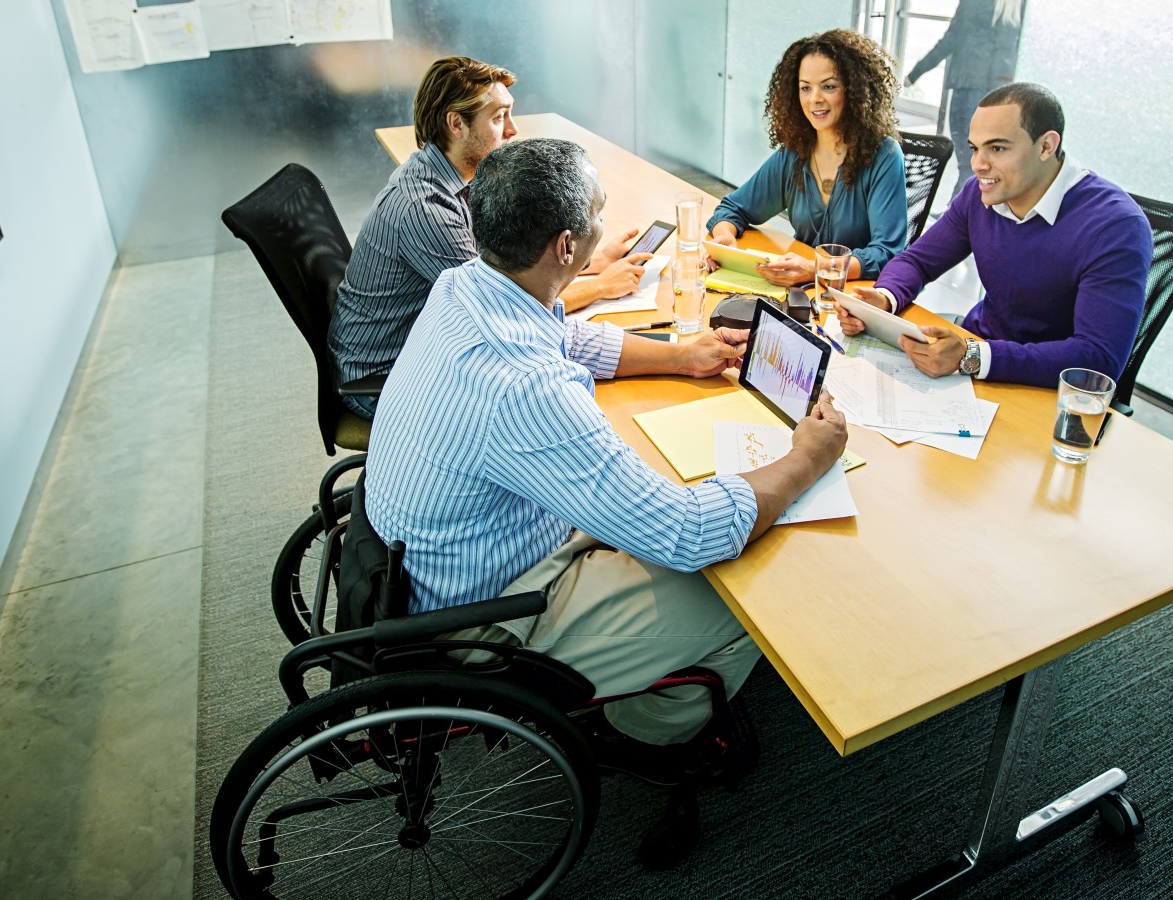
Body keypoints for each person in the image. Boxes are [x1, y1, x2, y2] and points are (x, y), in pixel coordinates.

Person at [363, 138, 850, 761]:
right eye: (598, 212)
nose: (605, 222)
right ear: (568, 247)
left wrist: (682, 356)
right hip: (494, 614)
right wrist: (807, 457)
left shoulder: (466, 285)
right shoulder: (528, 390)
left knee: (659, 497)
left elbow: (560, 335)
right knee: (748, 586)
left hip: (436, 559)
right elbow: (687, 534)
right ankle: (650, 732)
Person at [329, 57, 653, 419]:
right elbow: (506, 306)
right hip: (384, 377)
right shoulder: (427, 210)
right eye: (498, 118)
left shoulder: (445, 177)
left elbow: (508, 271)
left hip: (407, 347)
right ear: (457, 125)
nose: (513, 130)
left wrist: (591, 262)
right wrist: (599, 287)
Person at [839, 83, 1152, 387]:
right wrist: (885, 298)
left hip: (1043, 390)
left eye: (997, 148)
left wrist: (974, 357)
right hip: (976, 352)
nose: (977, 165)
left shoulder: (1116, 226)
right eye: (975, 148)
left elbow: (1098, 358)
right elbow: (919, 261)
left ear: (1046, 146)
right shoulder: (979, 194)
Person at [706, 29, 907, 286]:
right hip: (803, 293)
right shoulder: (795, 153)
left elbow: (886, 254)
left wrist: (818, 268)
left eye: (829, 86)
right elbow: (734, 208)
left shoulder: (885, 156)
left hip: (855, 297)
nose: (815, 99)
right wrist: (724, 236)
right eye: (805, 88)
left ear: (855, 90)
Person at [904, 0, 1027, 200]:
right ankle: (960, 213)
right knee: (983, 161)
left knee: (969, 162)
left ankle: (960, 218)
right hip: (996, 95)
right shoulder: (1014, 5)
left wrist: (915, 72)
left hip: (969, 88)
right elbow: (1007, 53)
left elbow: (952, 38)